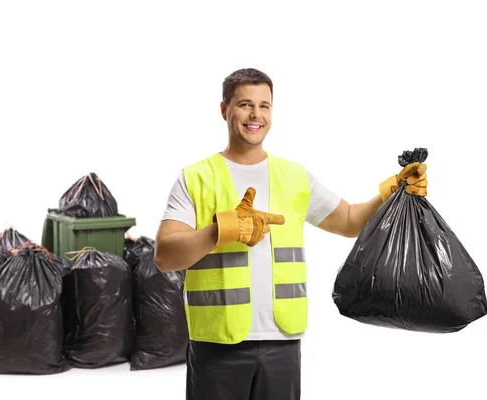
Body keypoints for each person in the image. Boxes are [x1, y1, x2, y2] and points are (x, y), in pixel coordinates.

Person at [153, 68, 428, 400]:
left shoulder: (295, 177)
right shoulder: (195, 178)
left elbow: (350, 221)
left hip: (282, 342)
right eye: (244, 104)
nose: (256, 115)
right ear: (224, 109)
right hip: (216, 344)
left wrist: (393, 192)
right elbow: (165, 256)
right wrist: (219, 231)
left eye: (265, 106)